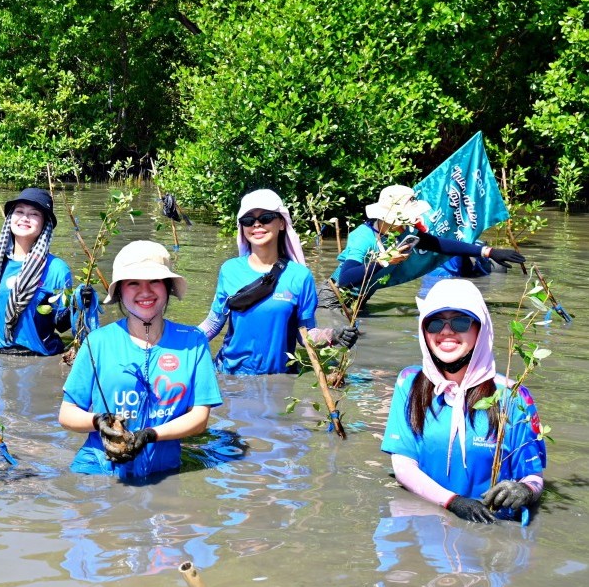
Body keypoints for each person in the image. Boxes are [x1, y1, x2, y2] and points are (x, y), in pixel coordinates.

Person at [381, 278, 546, 523]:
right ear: (424, 332)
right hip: (426, 519)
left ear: (480, 330)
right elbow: (403, 466)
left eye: (460, 321)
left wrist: (524, 491)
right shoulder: (409, 382)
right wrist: (452, 501)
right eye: (435, 323)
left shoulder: (513, 396)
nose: (446, 331)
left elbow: (533, 476)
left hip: (491, 528)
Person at [58, 240, 222, 478]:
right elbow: (67, 413)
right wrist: (98, 421)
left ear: (167, 288)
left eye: (154, 281)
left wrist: (151, 435)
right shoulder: (97, 342)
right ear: (120, 292)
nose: (145, 292)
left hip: (164, 473)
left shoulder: (193, 342)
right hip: (97, 470)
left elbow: (199, 419)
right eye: (133, 283)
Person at [198, 189, 357, 375]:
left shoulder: (300, 276)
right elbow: (213, 324)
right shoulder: (229, 270)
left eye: (266, 218)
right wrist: (174, 340)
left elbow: (306, 335)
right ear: (242, 227)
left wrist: (334, 335)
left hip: (278, 379)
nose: (257, 224)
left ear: (281, 223)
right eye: (248, 221)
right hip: (231, 377)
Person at [323, 185, 525, 310]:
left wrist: (488, 252)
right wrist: (384, 260)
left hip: (361, 300)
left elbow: (438, 244)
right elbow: (345, 279)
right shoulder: (363, 237)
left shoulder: (403, 232)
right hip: (334, 298)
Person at [0, 187, 73, 355]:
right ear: (10, 218)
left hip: (38, 359)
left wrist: (78, 304)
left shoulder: (56, 268)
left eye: (34, 214)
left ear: (45, 223)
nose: (25, 218)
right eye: (19, 211)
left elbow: (62, 325)